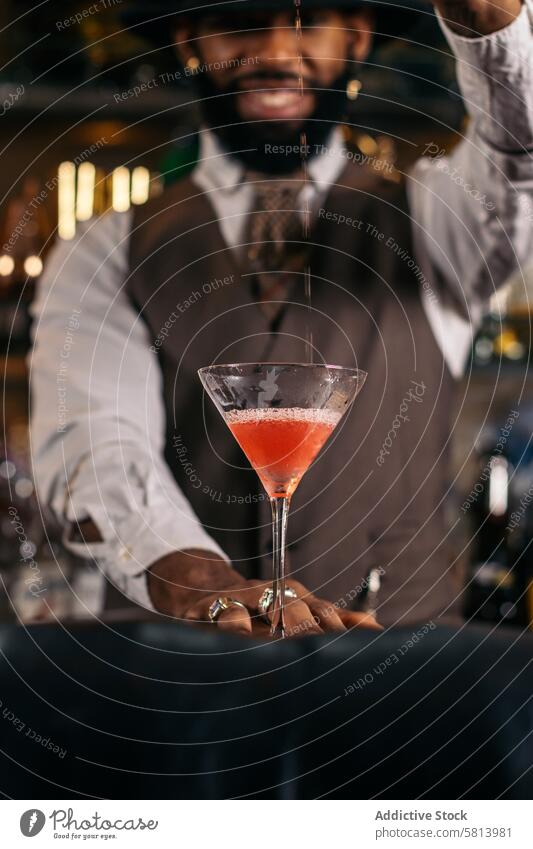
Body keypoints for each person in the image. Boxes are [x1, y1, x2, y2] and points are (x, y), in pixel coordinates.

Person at [31, 0, 532, 636]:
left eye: (306, 18)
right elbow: (93, 443)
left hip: (398, 678)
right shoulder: (104, 247)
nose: (272, 51)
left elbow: (520, 163)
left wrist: (492, 31)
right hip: (176, 684)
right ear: (189, 42)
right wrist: (198, 579)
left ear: (355, 37)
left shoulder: (436, 225)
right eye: (239, 21)